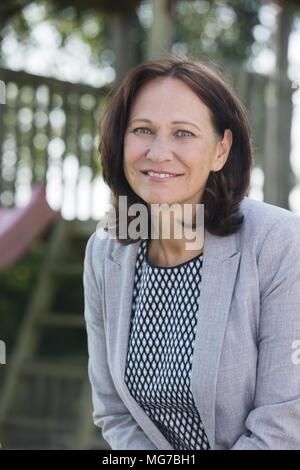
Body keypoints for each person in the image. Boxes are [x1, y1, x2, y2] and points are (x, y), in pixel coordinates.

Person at [83, 54, 300, 450]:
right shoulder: (104, 252)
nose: (158, 151)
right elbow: (114, 413)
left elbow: (285, 426)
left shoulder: (279, 243)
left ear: (221, 150)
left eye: (183, 133)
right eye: (143, 129)